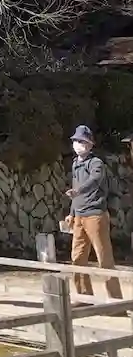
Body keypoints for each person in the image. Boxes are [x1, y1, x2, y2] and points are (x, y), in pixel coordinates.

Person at [65, 125, 122, 300]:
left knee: (104, 258)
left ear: (90, 144)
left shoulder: (96, 163)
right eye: (76, 141)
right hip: (79, 216)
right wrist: (71, 213)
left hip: (96, 214)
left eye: (81, 141)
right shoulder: (75, 164)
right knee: (77, 258)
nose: (78, 144)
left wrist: (79, 191)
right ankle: (84, 298)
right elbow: (75, 190)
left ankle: (115, 302)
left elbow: (94, 180)